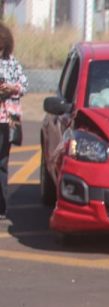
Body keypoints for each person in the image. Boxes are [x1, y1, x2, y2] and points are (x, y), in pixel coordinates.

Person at [0, 22, 26, 223]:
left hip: (7, 119)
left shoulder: (13, 63)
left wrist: (12, 88)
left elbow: (24, 85)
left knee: (2, 163)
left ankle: (2, 207)